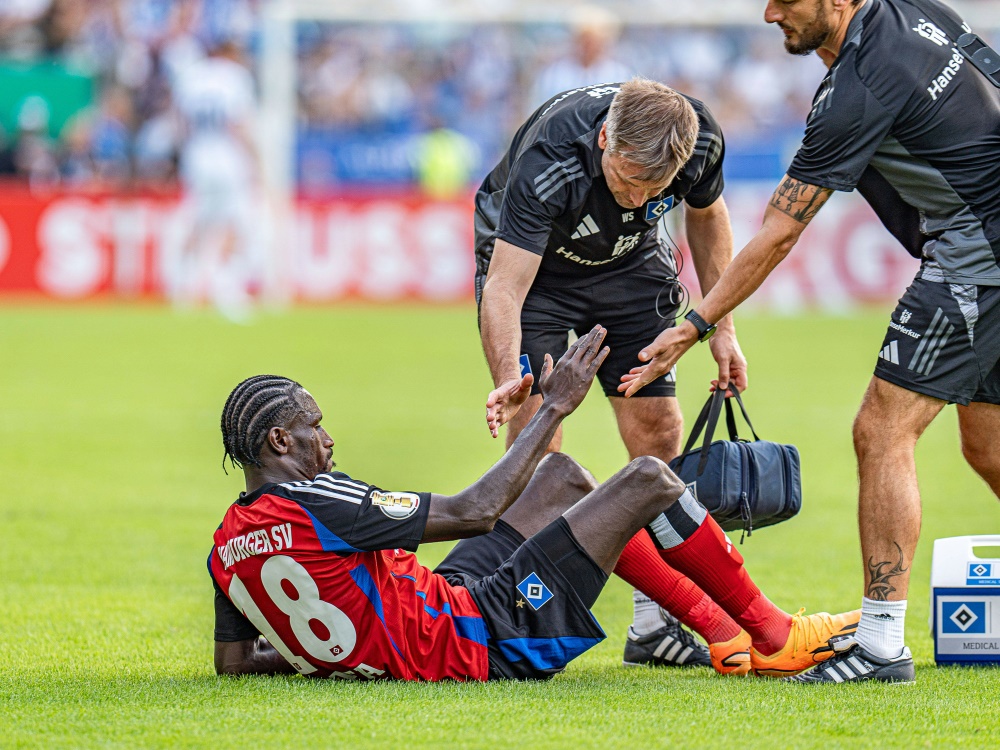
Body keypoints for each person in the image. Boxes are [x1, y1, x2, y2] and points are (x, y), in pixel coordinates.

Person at [619, 0, 1000, 684]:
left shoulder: (861, 84)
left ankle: (881, 646)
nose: (769, 13)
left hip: (978, 260)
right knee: (989, 446)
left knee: (881, 432)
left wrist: (694, 325)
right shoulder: (915, 12)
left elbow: (779, 231)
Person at [209, 330, 859, 681]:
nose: (328, 438)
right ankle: (773, 637)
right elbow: (476, 512)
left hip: (439, 605)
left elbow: (233, 664)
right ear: (279, 440)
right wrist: (555, 405)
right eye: (314, 427)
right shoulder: (318, 501)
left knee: (562, 476)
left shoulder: (226, 546)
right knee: (649, 481)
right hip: (486, 636)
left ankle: (722, 637)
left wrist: (331, 656)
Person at [475, 77, 750, 667]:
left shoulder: (697, 141)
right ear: (604, 138)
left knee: (659, 430)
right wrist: (509, 376)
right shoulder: (551, 160)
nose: (636, 197)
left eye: (654, 188)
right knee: (538, 442)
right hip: (537, 274)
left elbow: (706, 217)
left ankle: (652, 625)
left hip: (630, 267)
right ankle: (520, 612)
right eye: (627, 180)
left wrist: (721, 329)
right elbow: (504, 287)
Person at [170, 38, 261, 322]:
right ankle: (228, 289)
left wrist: (186, 152)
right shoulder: (235, 77)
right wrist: (256, 160)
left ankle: (183, 288)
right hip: (227, 157)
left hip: (197, 155)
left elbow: (180, 122)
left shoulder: (192, 76)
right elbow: (239, 123)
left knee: (199, 219)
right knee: (234, 221)